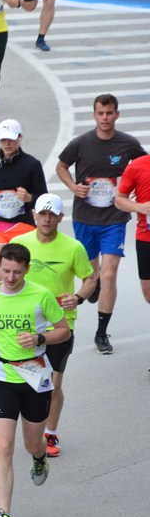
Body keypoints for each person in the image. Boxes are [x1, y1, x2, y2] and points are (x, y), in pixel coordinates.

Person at [0, 242, 70, 517]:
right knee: (3, 448)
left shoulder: (40, 295)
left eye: (16, 272)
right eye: (5, 271)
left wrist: (40, 337)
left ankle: (40, 456)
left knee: (30, 444)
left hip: (35, 375)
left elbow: (63, 330)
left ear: (27, 268)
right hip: (1, 375)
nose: (10, 277)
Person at [54, 94, 147, 355]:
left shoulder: (128, 144)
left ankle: (101, 332)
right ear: (94, 115)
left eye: (109, 113)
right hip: (85, 218)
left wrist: (138, 195)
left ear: (117, 114)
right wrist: (72, 186)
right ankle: (92, 288)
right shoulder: (81, 143)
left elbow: (144, 167)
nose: (105, 118)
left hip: (114, 219)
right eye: (100, 113)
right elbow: (61, 166)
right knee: (92, 275)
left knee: (108, 274)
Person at [13, 194, 96, 457]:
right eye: (42, 214)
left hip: (59, 326)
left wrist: (79, 297)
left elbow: (90, 278)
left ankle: (50, 432)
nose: (47, 219)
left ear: (61, 217)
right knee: (28, 381)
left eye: (52, 214)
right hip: (24, 326)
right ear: (34, 215)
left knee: (54, 383)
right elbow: (7, 278)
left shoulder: (73, 248)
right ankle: (32, 429)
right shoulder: (19, 243)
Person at [0, 119, 47, 284]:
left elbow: (43, 197)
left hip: (22, 225)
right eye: (3, 140)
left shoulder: (32, 164)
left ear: (20, 138)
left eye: (11, 139)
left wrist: (29, 198)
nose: (7, 143)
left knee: (21, 277)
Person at [115, 155, 150, 327]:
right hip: (146, 237)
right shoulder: (137, 166)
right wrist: (139, 207)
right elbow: (119, 199)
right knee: (148, 294)